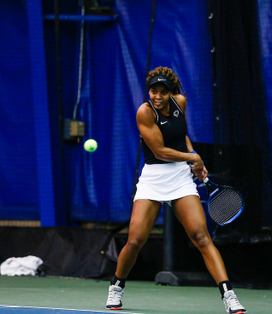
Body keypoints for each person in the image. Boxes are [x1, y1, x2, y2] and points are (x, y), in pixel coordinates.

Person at [105, 66, 246, 314]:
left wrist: (192, 156)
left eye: (162, 92)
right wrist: (194, 158)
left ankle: (229, 295)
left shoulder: (181, 102)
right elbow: (160, 151)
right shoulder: (144, 112)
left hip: (180, 179)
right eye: (153, 91)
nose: (157, 96)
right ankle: (116, 286)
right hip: (153, 178)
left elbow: (181, 136)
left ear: (172, 92)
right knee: (135, 240)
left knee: (202, 237)